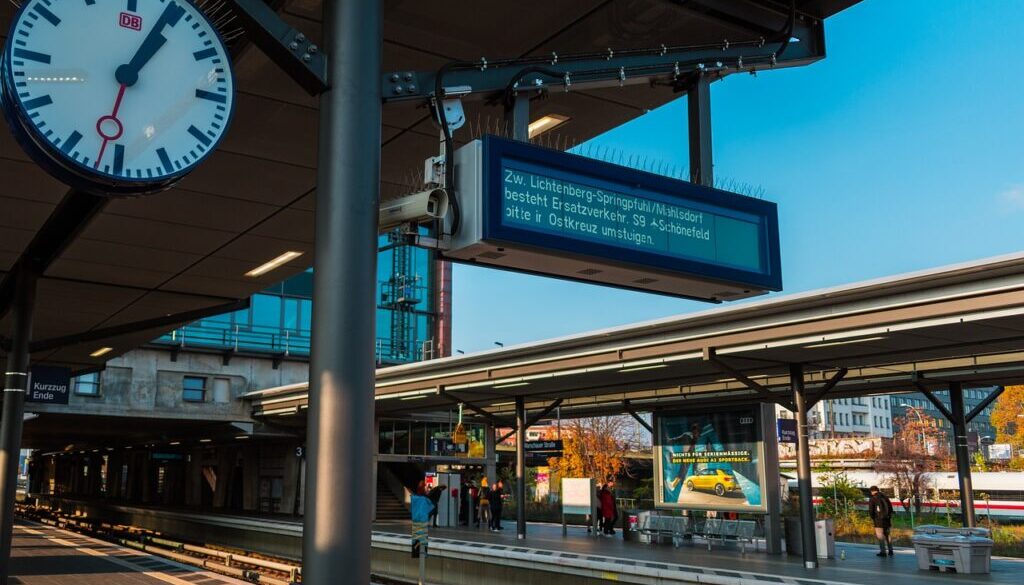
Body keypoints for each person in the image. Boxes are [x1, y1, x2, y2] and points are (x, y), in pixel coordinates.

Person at [868, 485, 894, 557]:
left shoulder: (873, 499)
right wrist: (889, 517)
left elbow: (871, 511)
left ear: (872, 491)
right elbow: (891, 508)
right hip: (887, 520)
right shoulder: (885, 497)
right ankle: (890, 550)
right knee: (887, 535)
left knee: (880, 536)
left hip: (878, 521)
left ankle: (883, 552)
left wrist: (873, 518)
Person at [410, 482, 434, 558]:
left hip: (415, 523)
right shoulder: (425, 500)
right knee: (423, 541)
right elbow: (431, 509)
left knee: (415, 540)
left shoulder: (413, 498)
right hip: (423, 522)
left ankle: (416, 553)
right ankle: (422, 555)